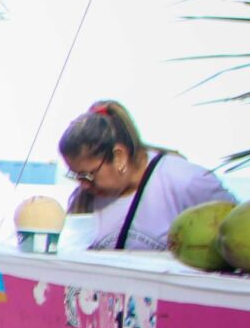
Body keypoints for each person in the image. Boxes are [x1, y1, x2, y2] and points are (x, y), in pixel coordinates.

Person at [58, 100, 232, 251]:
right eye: (76, 176)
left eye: (88, 175)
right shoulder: (83, 200)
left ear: (119, 157)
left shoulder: (187, 181)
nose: (84, 185)